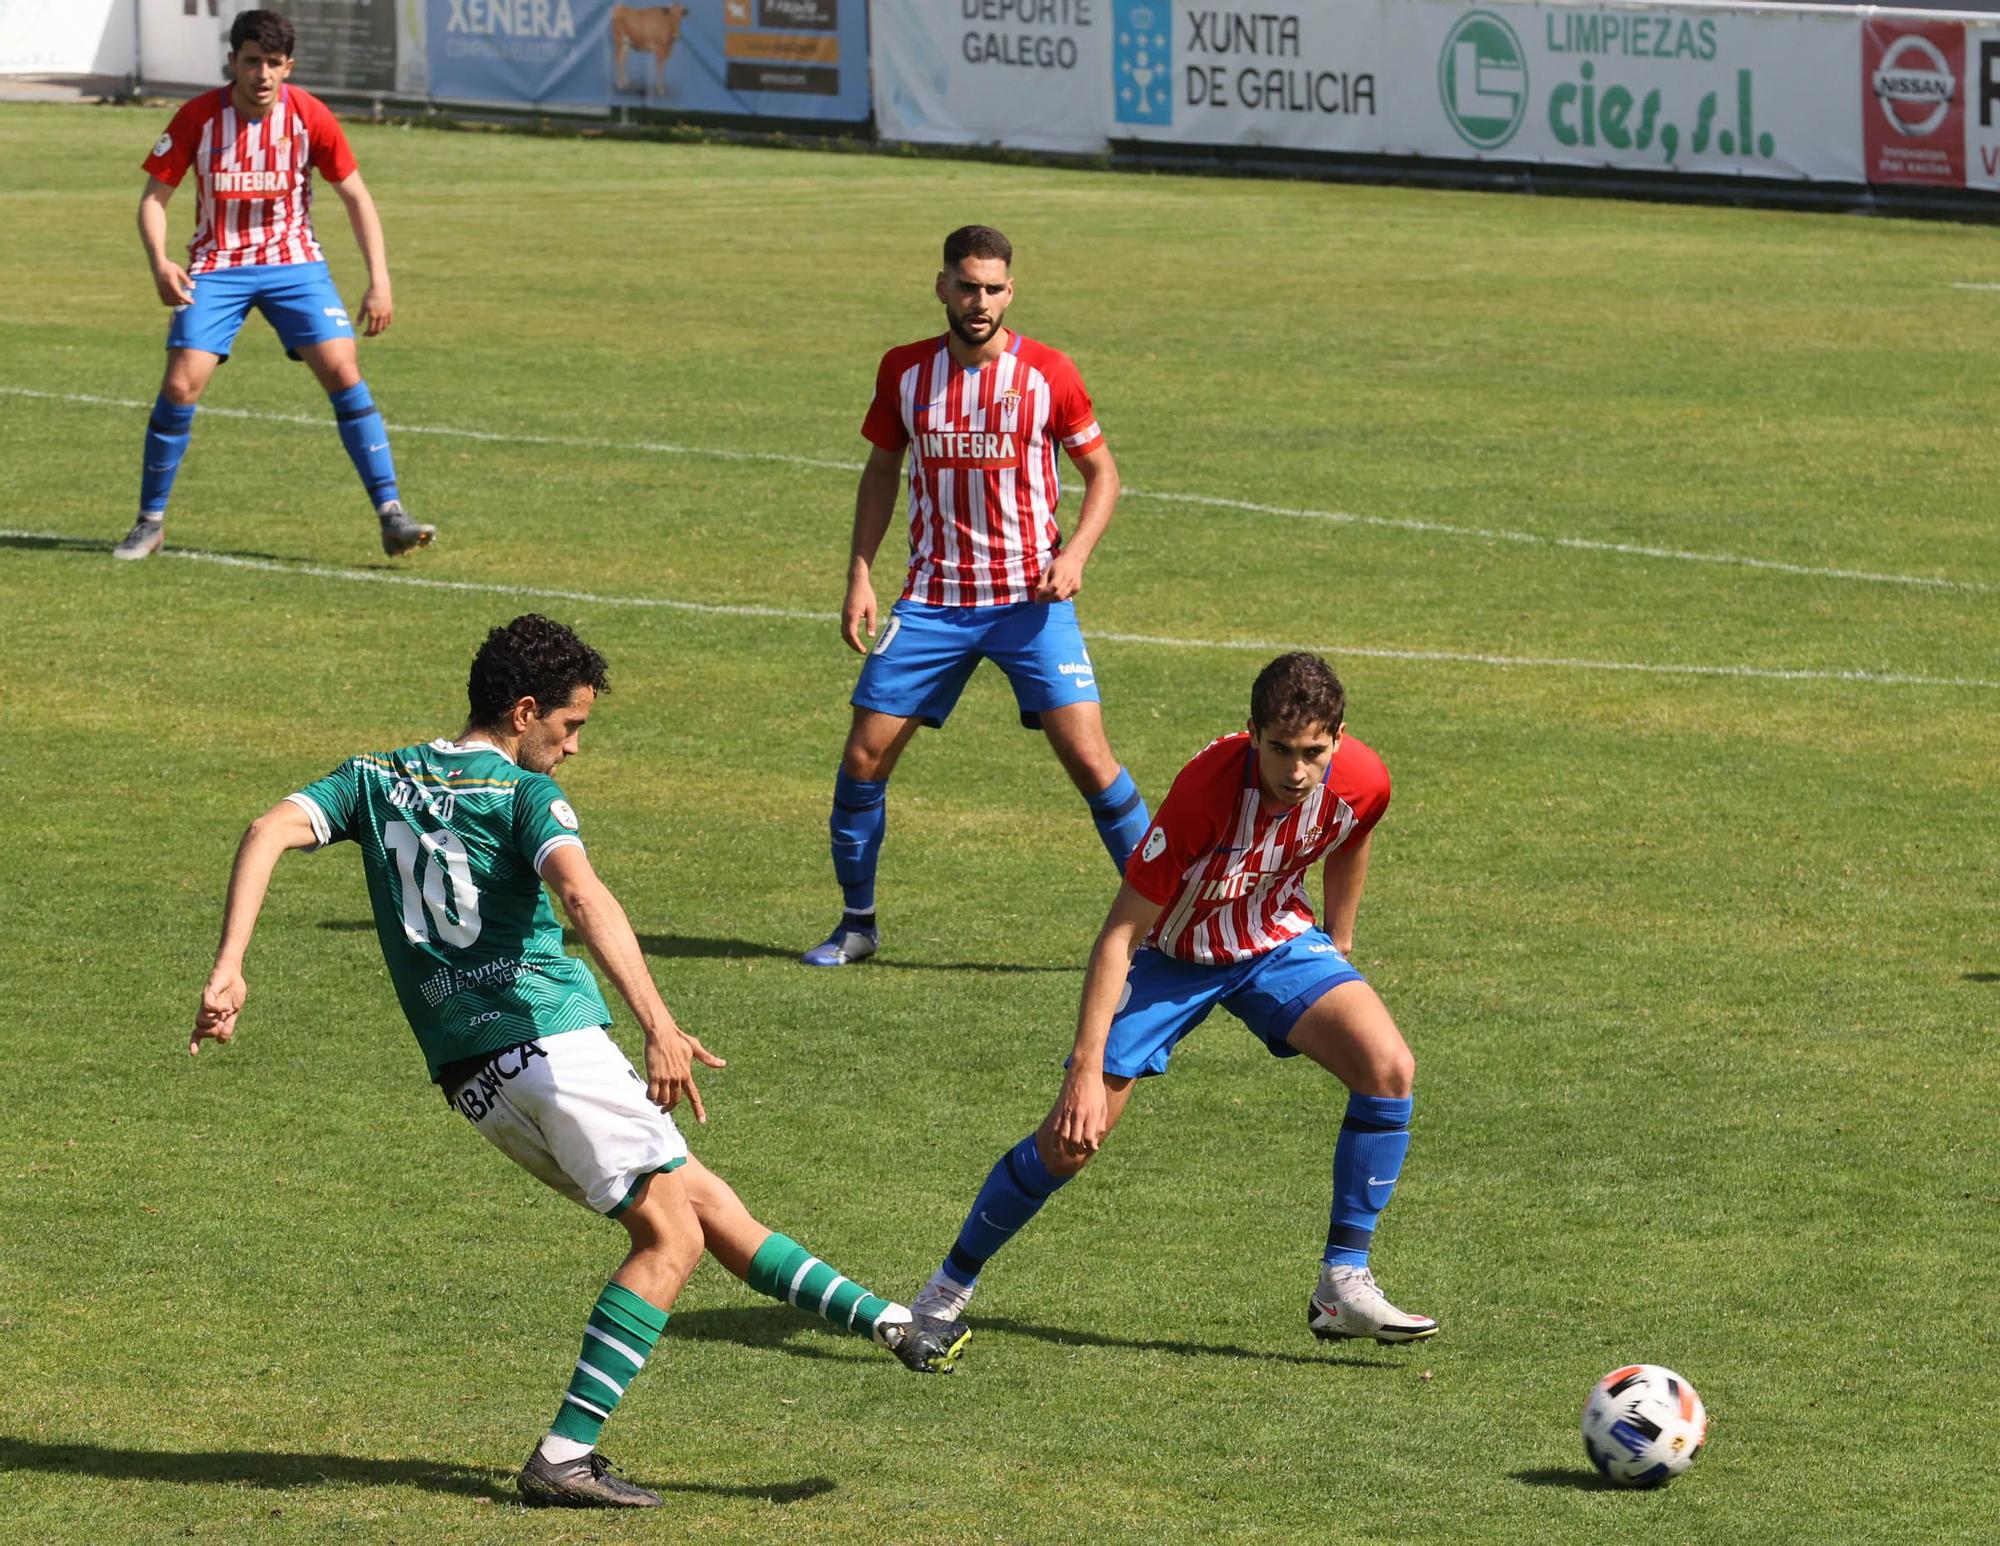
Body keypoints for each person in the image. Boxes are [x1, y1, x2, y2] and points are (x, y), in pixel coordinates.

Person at [189, 614, 968, 1510]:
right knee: (670, 1237)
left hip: (473, 1078)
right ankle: (563, 1455)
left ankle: (894, 1324)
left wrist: (229, 966)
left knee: (701, 1203)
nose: (573, 747)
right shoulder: (524, 799)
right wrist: (660, 1023)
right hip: (552, 1046)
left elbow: (264, 829)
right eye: (571, 727)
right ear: (525, 712)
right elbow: (581, 893)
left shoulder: (375, 778)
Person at [910, 653, 1438, 1345]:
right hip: (1170, 955)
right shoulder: (1205, 794)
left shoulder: (1365, 780)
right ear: (1252, 733)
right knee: (1071, 1141)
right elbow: (1118, 936)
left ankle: (1343, 1283)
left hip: (1272, 939)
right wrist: (1082, 1071)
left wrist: (1339, 937)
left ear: (1338, 739)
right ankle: (945, 1287)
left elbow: (1353, 832)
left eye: (1313, 752)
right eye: (1279, 750)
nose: (1295, 771)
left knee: (1389, 1068)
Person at [801, 224, 1150, 967]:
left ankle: (1165, 920)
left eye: (993, 288)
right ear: (942, 288)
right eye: (967, 286)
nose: (979, 300)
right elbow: (880, 472)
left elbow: (1105, 475)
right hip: (932, 601)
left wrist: (1077, 553)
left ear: (1010, 292)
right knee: (863, 758)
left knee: (1092, 762)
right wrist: (860, 573)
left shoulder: (1050, 374)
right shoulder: (903, 371)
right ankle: (857, 925)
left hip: (1030, 603)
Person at [115, 9, 433, 562]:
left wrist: (380, 281)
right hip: (218, 265)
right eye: (252, 61)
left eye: (274, 63)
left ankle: (391, 514)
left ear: (289, 66)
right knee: (181, 386)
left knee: (343, 369)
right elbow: (153, 198)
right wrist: (161, 263)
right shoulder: (197, 118)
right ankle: (150, 522)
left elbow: (357, 197)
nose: (262, 74)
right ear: (233, 62)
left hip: (294, 264)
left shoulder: (310, 116)